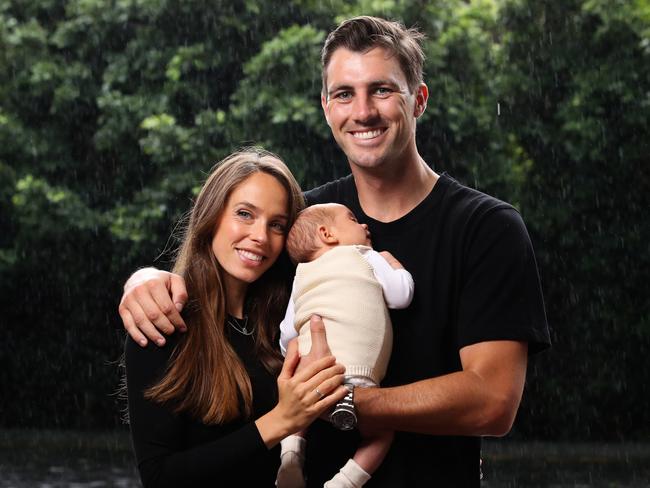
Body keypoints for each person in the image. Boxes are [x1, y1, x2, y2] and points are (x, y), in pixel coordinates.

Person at [119, 16, 550, 487]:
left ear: (419, 101)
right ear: (326, 107)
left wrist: (340, 403)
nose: (362, 111)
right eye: (344, 93)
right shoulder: (307, 223)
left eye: (382, 90)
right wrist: (146, 280)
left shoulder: (485, 229)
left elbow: (492, 402)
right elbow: (227, 295)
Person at [123, 148, 349, 487]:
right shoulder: (164, 319)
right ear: (212, 216)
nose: (260, 236)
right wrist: (280, 421)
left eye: (276, 224)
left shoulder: (289, 316)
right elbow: (160, 477)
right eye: (245, 214)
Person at [275, 203, 414, 488]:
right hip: (355, 376)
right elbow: (401, 296)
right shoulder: (364, 255)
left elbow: (287, 332)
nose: (365, 226)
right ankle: (344, 483)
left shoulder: (302, 274)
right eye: (353, 220)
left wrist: (300, 360)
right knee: (382, 433)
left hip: (310, 370)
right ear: (327, 234)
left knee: (299, 414)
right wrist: (393, 264)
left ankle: (290, 455)